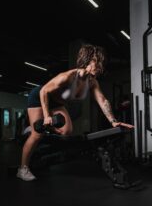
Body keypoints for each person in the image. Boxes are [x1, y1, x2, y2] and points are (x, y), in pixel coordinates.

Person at [16, 44, 134, 181]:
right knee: (37, 135)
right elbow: (44, 91)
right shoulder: (68, 76)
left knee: (67, 131)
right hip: (39, 97)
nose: (100, 65)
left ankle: (37, 128)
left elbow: (102, 100)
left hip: (57, 103)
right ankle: (22, 168)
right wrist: (47, 116)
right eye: (97, 61)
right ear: (88, 61)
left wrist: (113, 121)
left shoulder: (92, 81)